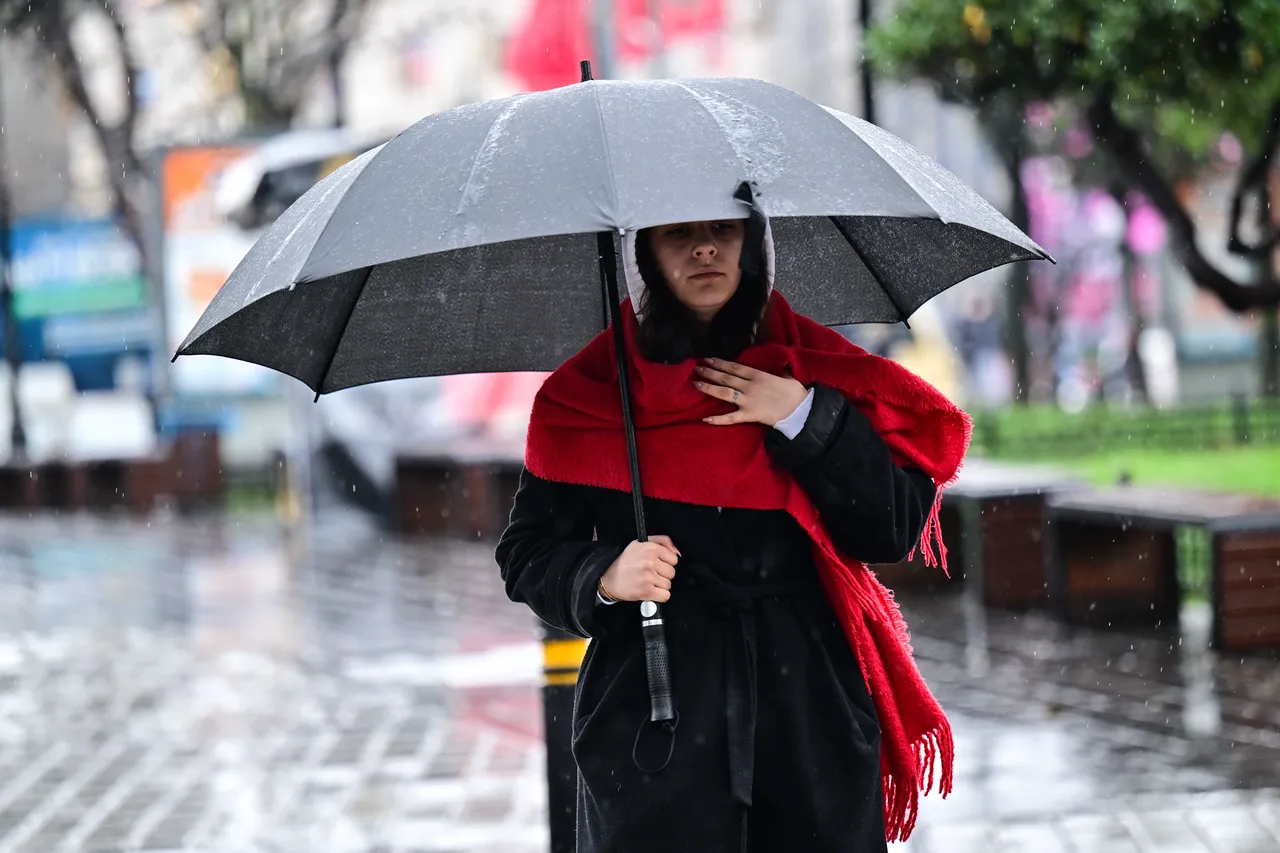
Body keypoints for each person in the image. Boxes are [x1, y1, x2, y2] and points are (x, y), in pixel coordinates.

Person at [496, 186, 969, 852]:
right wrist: (605, 573)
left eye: (723, 227)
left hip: (807, 711)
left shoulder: (816, 369)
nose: (705, 247)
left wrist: (802, 417)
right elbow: (526, 551)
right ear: (645, 253)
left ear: (754, 240)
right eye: (678, 232)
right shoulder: (588, 396)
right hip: (652, 720)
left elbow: (890, 527)